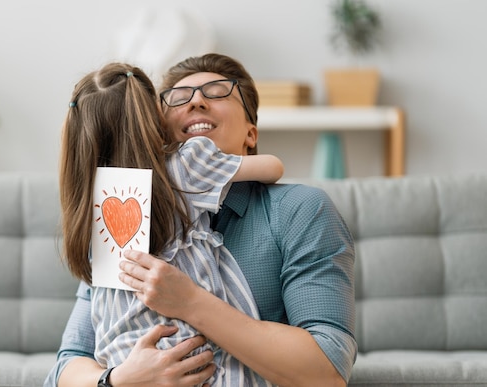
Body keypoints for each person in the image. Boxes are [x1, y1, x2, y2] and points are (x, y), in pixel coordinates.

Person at [46, 53, 357, 387]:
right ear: (157, 133)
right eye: (178, 98)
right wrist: (120, 380)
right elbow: (67, 366)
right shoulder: (125, 217)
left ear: (251, 134)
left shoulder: (298, 209)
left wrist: (190, 302)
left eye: (217, 92)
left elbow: (327, 372)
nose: (196, 101)